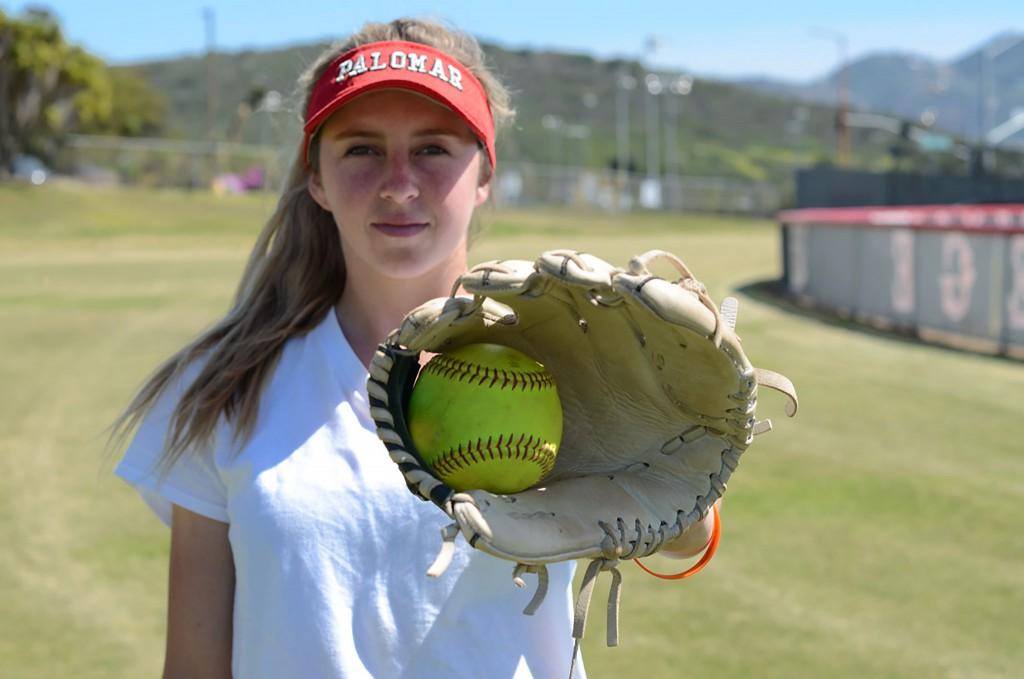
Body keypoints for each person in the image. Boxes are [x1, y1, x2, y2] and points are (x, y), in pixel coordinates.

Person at [113, 17, 716, 679]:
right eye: (362, 150)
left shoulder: (563, 367)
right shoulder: (228, 386)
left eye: (433, 149)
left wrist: (679, 483)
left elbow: (686, 529)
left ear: (484, 174)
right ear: (315, 177)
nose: (399, 183)